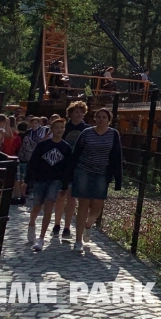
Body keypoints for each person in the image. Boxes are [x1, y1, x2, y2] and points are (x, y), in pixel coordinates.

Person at [69, 107, 122, 252]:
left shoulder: (113, 134)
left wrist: (118, 179)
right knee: (83, 205)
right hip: (84, 171)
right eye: (99, 117)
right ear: (95, 119)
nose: (101, 119)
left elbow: (117, 156)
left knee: (97, 206)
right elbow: (76, 153)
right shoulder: (86, 133)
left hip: (102, 173)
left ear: (109, 120)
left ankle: (88, 225)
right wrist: (69, 174)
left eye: (104, 117)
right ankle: (78, 240)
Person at [26, 118, 73, 252]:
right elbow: (33, 163)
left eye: (62, 127)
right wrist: (27, 180)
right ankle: (31, 224)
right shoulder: (42, 146)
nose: (59, 130)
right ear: (51, 129)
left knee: (48, 207)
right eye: (57, 127)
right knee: (36, 206)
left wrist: (64, 185)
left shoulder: (66, 148)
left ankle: (41, 238)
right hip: (41, 179)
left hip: (55, 181)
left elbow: (67, 168)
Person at [52, 101, 88, 240]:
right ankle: (56, 224)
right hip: (63, 164)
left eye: (81, 112)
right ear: (71, 113)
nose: (79, 114)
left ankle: (67, 227)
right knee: (60, 196)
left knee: (72, 198)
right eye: (76, 112)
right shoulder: (64, 127)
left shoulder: (86, 129)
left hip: (78, 166)